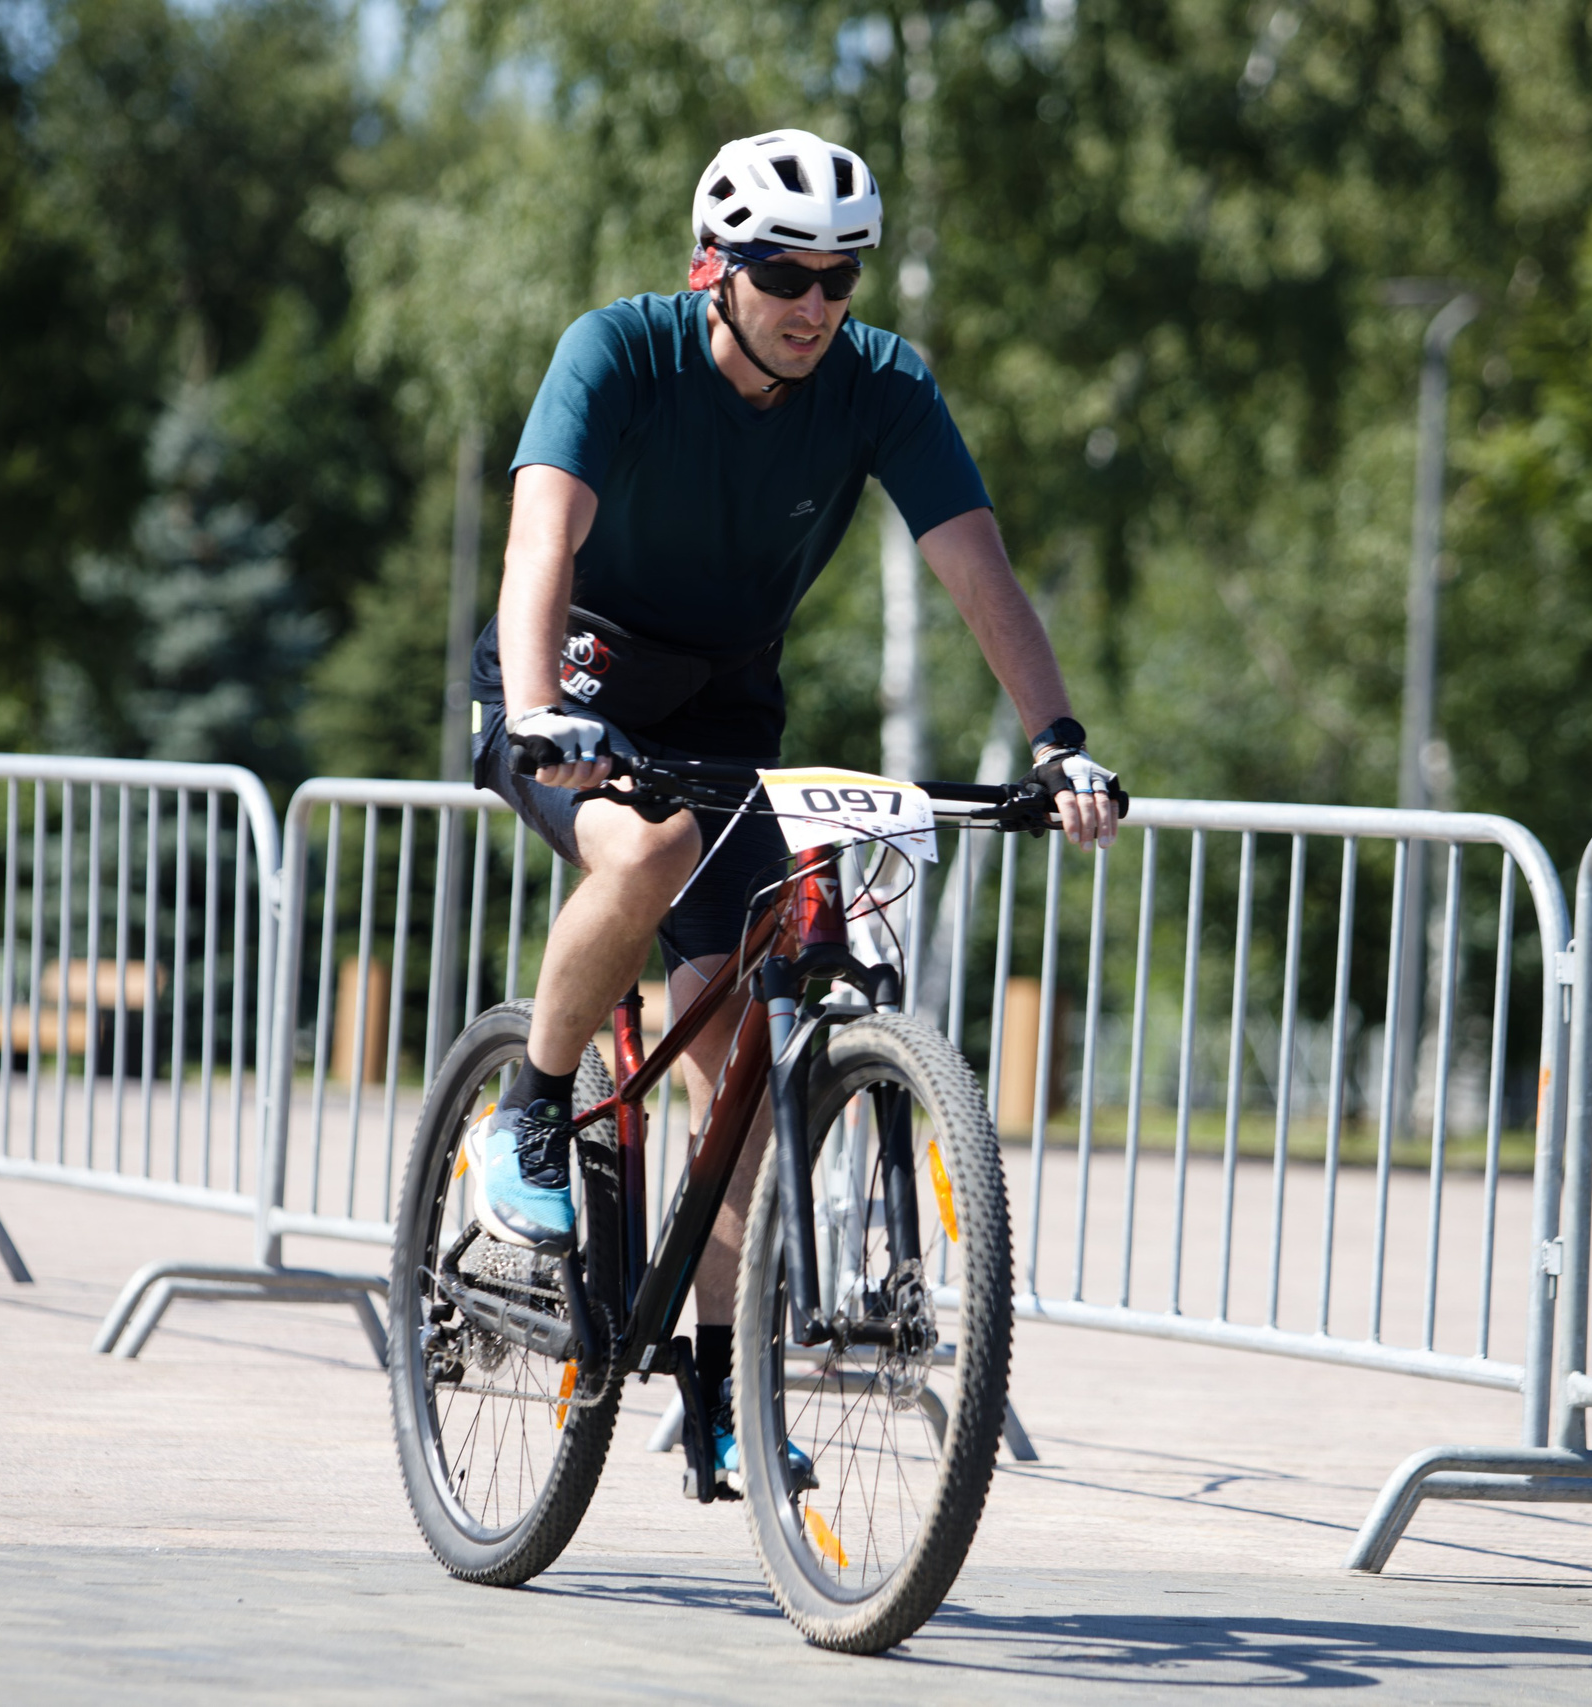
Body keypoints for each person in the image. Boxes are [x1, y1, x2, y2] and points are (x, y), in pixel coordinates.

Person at [464, 127, 1122, 1493]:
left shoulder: (880, 386)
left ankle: (714, 1392)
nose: (816, 302)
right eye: (785, 272)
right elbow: (541, 541)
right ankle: (532, 1108)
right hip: (571, 669)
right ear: (719, 266)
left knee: (741, 1052)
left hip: (721, 708)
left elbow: (978, 570)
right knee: (642, 846)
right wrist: (539, 710)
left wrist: (1058, 741)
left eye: (841, 275)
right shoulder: (619, 351)